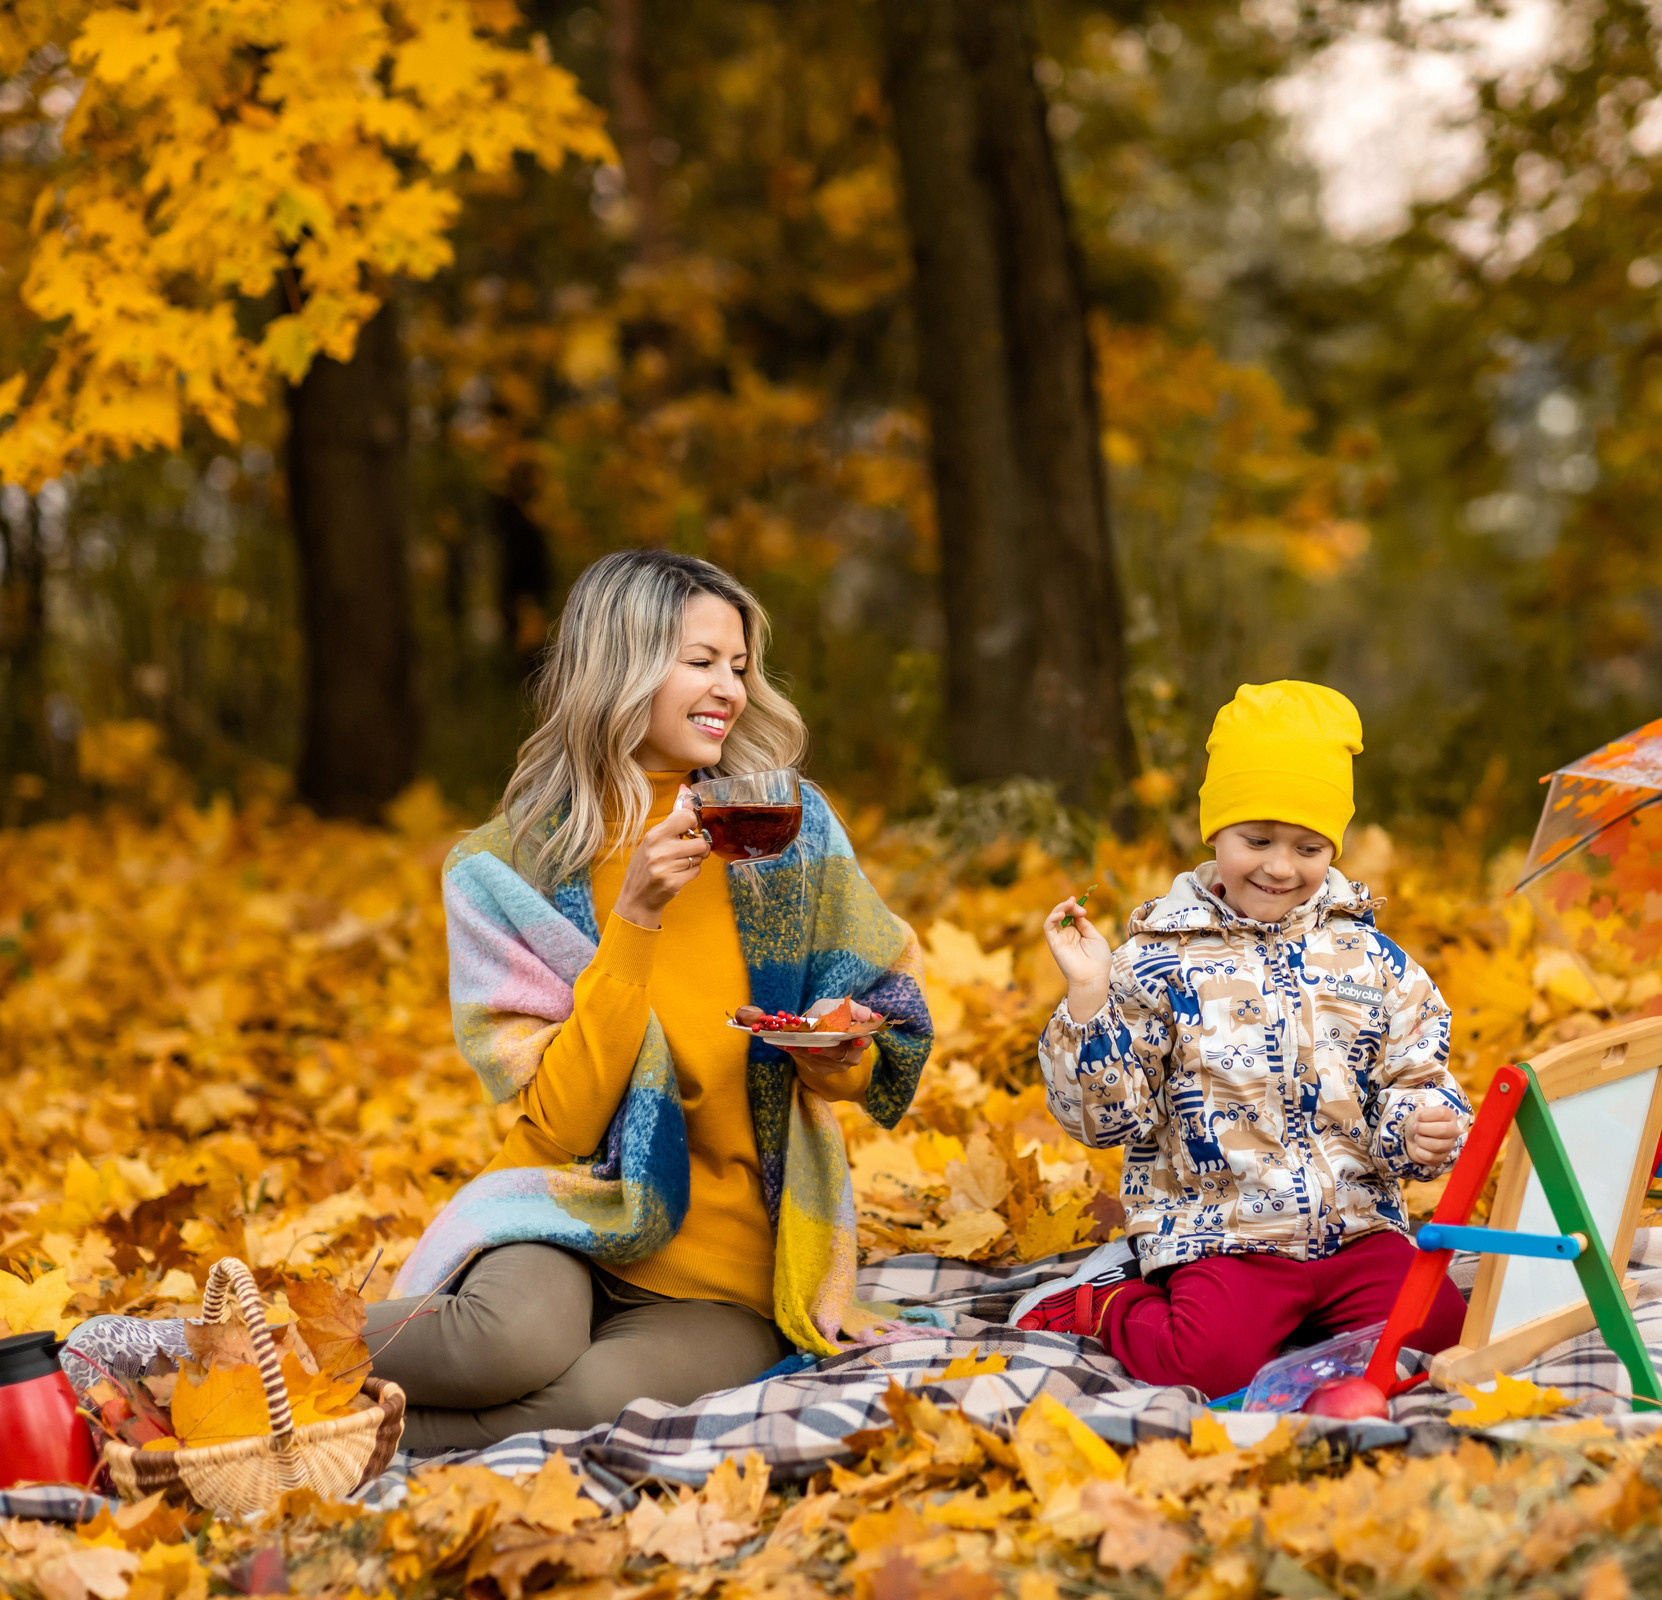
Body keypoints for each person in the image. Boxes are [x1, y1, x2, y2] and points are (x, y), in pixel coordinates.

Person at [361, 549, 932, 1450]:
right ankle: (215, 1365)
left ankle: (308, 1443)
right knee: (502, 1345)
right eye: (700, 662)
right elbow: (555, 1126)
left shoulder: (788, 831)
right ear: (619, 669)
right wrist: (633, 921)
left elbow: (884, 1019)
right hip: (572, 1210)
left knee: (587, 1402)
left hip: (726, 1268)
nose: (731, 689)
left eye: (740, 666)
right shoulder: (507, 872)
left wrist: (843, 1053)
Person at [1013, 681, 1468, 1400]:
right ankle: (1107, 1301)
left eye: (1308, 846)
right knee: (1203, 1363)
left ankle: (1318, 1330)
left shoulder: (1372, 960)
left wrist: (1421, 1127)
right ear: (1214, 833)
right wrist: (1089, 999)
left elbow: (1417, 1072)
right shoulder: (1155, 963)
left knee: (1439, 1331)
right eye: (1256, 840)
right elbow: (1105, 1122)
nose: (1280, 867)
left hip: (1356, 1230)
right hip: (1223, 1234)